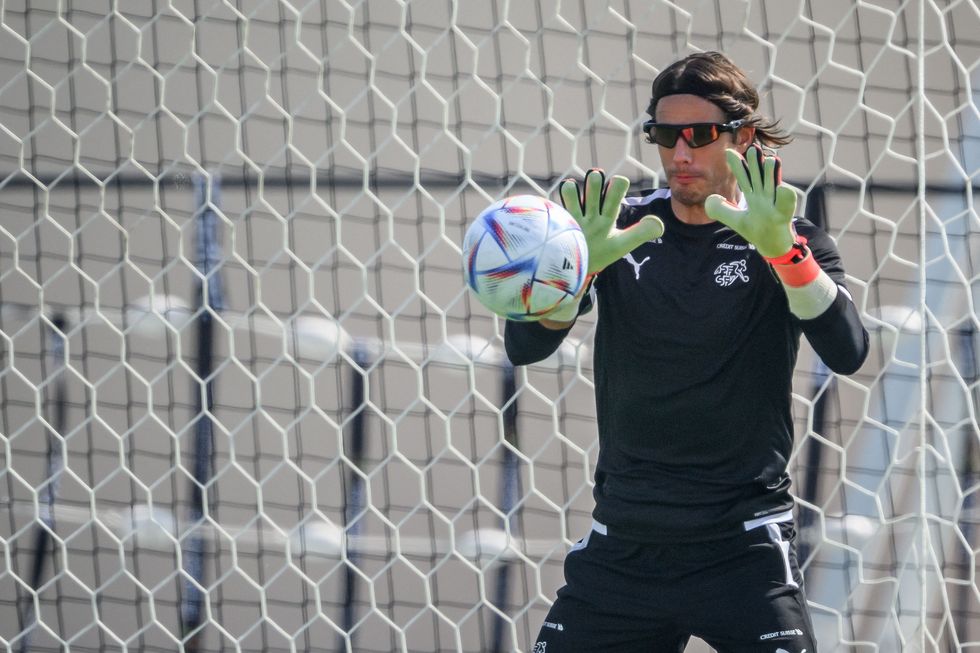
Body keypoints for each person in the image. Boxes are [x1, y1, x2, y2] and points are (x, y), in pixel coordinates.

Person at [506, 51, 869, 652]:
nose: (680, 153)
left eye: (699, 135)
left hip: (744, 549)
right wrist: (574, 274)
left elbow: (848, 349)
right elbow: (524, 346)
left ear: (743, 136)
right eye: (664, 135)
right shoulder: (617, 229)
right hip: (624, 546)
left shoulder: (788, 238)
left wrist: (786, 257)